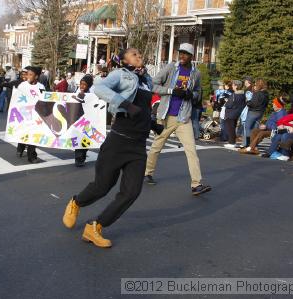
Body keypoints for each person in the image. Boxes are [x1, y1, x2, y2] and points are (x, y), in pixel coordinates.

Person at [62, 48, 162, 248]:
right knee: (102, 187)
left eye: (140, 54)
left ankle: (95, 227)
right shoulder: (120, 75)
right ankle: (76, 202)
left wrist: (152, 124)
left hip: (138, 146)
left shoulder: (146, 80)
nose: (139, 55)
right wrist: (123, 103)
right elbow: (99, 88)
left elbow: (141, 109)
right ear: (124, 60)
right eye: (134, 54)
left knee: (132, 192)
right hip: (118, 141)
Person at [143, 43, 211, 196]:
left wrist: (191, 95)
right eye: (180, 53)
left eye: (185, 54)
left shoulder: (196, 74)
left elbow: (198, 92)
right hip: (166, 116)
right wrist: (171, 91)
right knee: (156, 146)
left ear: (191, 56)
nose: (182, 56)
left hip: (183, 118)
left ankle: (196, 184)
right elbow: (153, 85)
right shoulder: (170, 68)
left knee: (192, 150)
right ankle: (148, 172)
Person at [16, 66, 45, 163]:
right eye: (27, 74)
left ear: (36, 77)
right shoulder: (22, 86)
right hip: (24, 114)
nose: (28, 76)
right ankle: (20, 148)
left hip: (36, 115)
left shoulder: (41, 87)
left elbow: (44, 100)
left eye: (30, 74)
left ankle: (32, 156)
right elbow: (16, 100)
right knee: (24, 133)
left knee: (33, 135)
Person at [74, 74, 94, 167]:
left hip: (89, 120)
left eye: (84, 84)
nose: (82, 86)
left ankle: (83, 156)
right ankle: (78, 158)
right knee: (79, 138)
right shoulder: (76, 92)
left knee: (86, 139)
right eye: (81, 84)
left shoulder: (93, 94)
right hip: (79, 120)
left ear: (89, 85)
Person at [223, 80, 246, 148]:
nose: (232, 86)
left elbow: (229, 105)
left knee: (230, 128)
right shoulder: (242, 94)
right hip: (237, 112)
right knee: (233, 127)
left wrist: (226, 102)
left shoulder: (235, 94)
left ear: (236, 86)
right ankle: (233, 142)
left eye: (233, 85)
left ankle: (231, 142)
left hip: (231, 113)